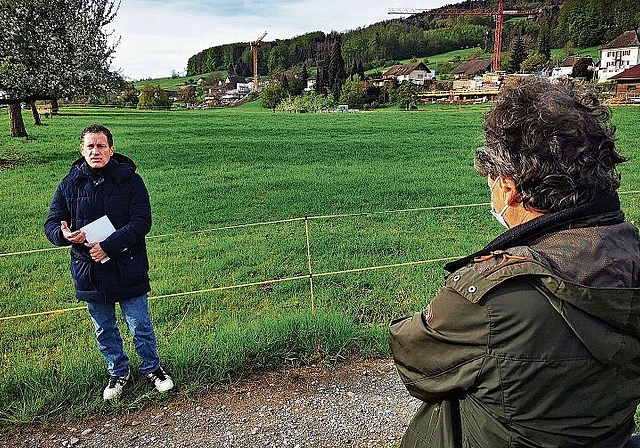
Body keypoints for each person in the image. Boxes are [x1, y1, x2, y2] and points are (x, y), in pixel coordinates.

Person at [390, 78, 640, 447]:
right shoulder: (632, 252)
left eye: (491, 181)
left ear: (510, 187)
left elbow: (415, 362)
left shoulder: (493, 296)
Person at [45, 124, 174, 400]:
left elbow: (141, 222)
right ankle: (118, 372)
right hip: (89, 269)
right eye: (90, 146)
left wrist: (108, 247)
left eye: (101, 145)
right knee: (104, 328)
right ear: (82, 150)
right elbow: (52, 223)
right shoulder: (69, 184)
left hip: (127, 264)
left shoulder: (131, 180)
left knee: (139, 324)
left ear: (111, 150)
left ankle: (153, 368)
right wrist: (64, 235)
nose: (95, 151)